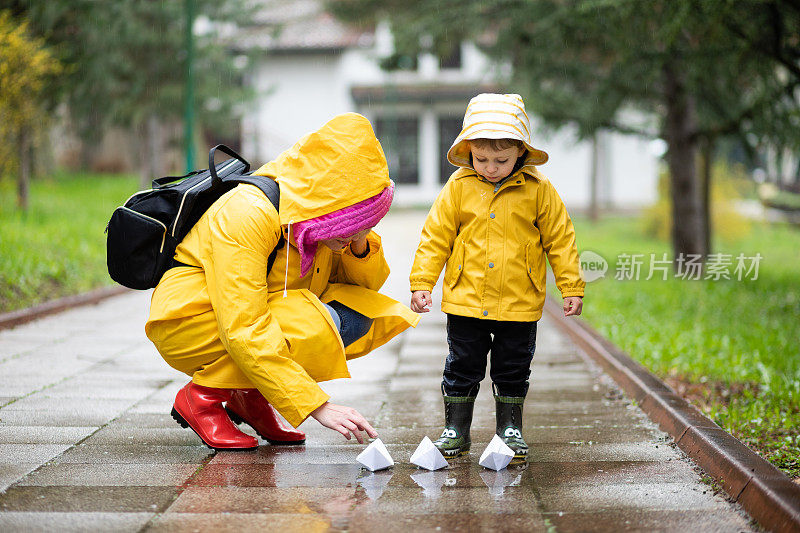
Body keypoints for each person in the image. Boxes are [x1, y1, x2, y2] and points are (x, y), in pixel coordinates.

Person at [145, 113, 419, 450]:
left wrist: (359, 241)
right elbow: (244, 325)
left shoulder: (319, 219)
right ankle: (201, 398)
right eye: (356, 225)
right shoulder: (249, 213)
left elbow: (361, 291)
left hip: (237, 315)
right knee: (322, 324)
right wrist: (316, 405)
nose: (359, 234)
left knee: (359, 315)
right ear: (335, 209)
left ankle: (249, 394)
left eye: (367, 224)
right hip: (190, 319)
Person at [409, 93, 585, 462]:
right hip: (466, 298)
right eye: (481, 158)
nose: (490, 167)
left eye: (501, 160)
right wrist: (422, 282)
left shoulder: (538, 190)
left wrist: (571, 286)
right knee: (462, 364)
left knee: (513, 366)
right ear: (468, 150)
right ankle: (456, 429)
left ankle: (510, 429)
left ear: (521, 152)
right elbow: (435, 235)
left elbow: (560, 239)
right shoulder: (458, 187)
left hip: (519, 300)